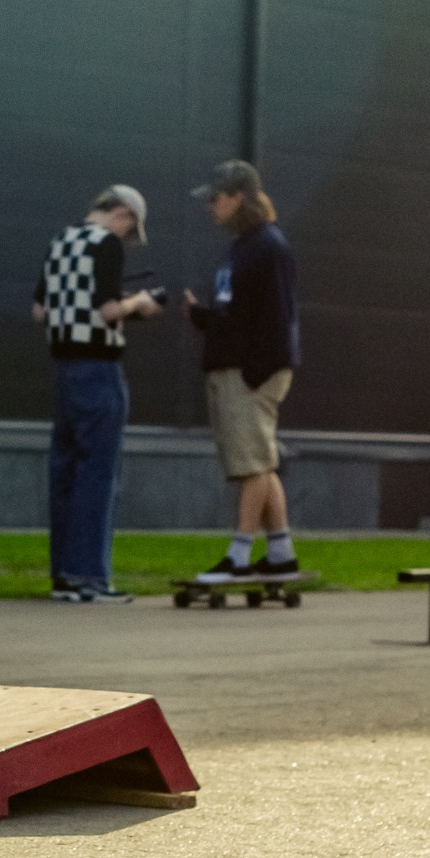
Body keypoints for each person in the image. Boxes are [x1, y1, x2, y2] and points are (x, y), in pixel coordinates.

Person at [31, 186, 164, 603]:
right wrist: (140, 301)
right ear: (123, 213)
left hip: (65, 369)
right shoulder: (106, 244)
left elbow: (40, 310)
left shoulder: (62, 240)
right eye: (129, 229)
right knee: (98, 475)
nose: (126, 239)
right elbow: (108, 311)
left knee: (66, 472)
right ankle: (90, 577)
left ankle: (64, 578)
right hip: (99, 369)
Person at [183, 160, 301, 583]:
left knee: (251, 464)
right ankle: (281, 551)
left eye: (216, 198)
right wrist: (202, 317)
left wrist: (256, 373)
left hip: (250, 373)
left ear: (238, 197)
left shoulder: (269, 246)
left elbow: (277, 318)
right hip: (233, 368)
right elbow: (238, 316)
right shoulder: (241, 247)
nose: (210, 207)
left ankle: (238, 557)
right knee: (260, 462)